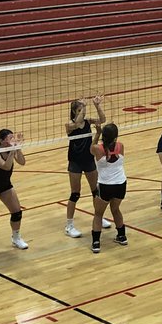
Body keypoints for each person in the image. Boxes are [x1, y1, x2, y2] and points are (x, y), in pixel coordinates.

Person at [65, 95, 110, 238]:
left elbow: (103, 120)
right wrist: (83, 108)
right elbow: (77, 124)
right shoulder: (70, 125)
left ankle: (99, 216)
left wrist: (97, 106)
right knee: (75, 193)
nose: (83, 112)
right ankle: (69, 225)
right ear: (74, 112)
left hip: (88, 160)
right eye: (80, 110)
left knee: (96, 191)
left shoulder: (88, 121)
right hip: (75, 162)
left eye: (83, 109)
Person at [0, 128, 28, 250]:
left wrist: (18, 148)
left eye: (14, 138)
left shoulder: (11, 150)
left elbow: (22, 162)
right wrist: (13, 150)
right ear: (2, 141)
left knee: (17, 213)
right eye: (10, 138)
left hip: (4, 184)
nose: (13, 140)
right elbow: (6, 166)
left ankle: (16, 238)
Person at [89, 123, 128, 252]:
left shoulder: (98, 149)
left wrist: (97, 133)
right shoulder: (121, 146)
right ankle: (122, 236)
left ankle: (96, 242)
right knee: (116, 209)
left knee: (98, 214)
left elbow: (91, 148)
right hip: (121, 184)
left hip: (106, 186)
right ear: (115, 136)